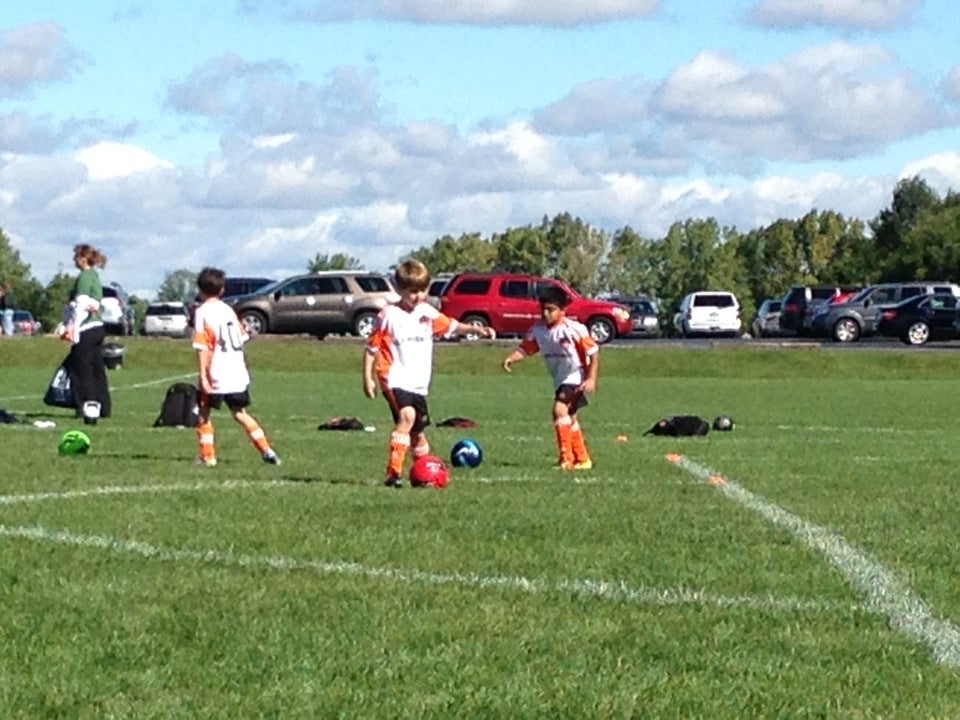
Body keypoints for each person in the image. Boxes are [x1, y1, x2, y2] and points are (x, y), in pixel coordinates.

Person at [363, 259, 495, 487]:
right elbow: (371, 348)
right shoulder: (388, 315)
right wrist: (368, 378)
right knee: (408, 417)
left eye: (422, 290)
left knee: (418, 433)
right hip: (393, 377)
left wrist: (476, 329)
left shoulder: (426, 313)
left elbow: (451, 326)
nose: (418, 296)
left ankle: (427, 472)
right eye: (412, 291)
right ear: (399, 289)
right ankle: (393, 472)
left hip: (418, 383)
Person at [502, 285, 599, 470]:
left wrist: (591, 378)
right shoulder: (538, 330)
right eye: (543, 309)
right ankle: (583, 459)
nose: (546, 314)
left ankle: (566, 459)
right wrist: (511, 358)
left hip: (576, 375)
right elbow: (527, 348)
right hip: (560, 379)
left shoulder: (574, 329)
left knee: (559, 409)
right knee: (569, 416)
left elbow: (594, 352)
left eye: (551, 310)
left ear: (563, 310)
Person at [192, 266, 280, 467]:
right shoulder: (228, 310)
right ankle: (266, 449)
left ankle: (208, 456)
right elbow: (242, 337)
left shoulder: (203, 312)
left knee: (204, 413)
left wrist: (204, 376)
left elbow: (202, 347)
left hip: (216, 372)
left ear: (200, 289)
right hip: (237, 372)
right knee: (240, 413)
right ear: (222, 290)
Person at [63, 245, 112, 423]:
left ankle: (86, 406)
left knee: (82, 370)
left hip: (86, 327)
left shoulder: (84, 277)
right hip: (98, 327)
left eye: (76, 256)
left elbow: (81, 306)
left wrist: (72, 330)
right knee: (96, 368)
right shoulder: (94, 275)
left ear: (82, 258)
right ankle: (103, 405)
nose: (74, 260)